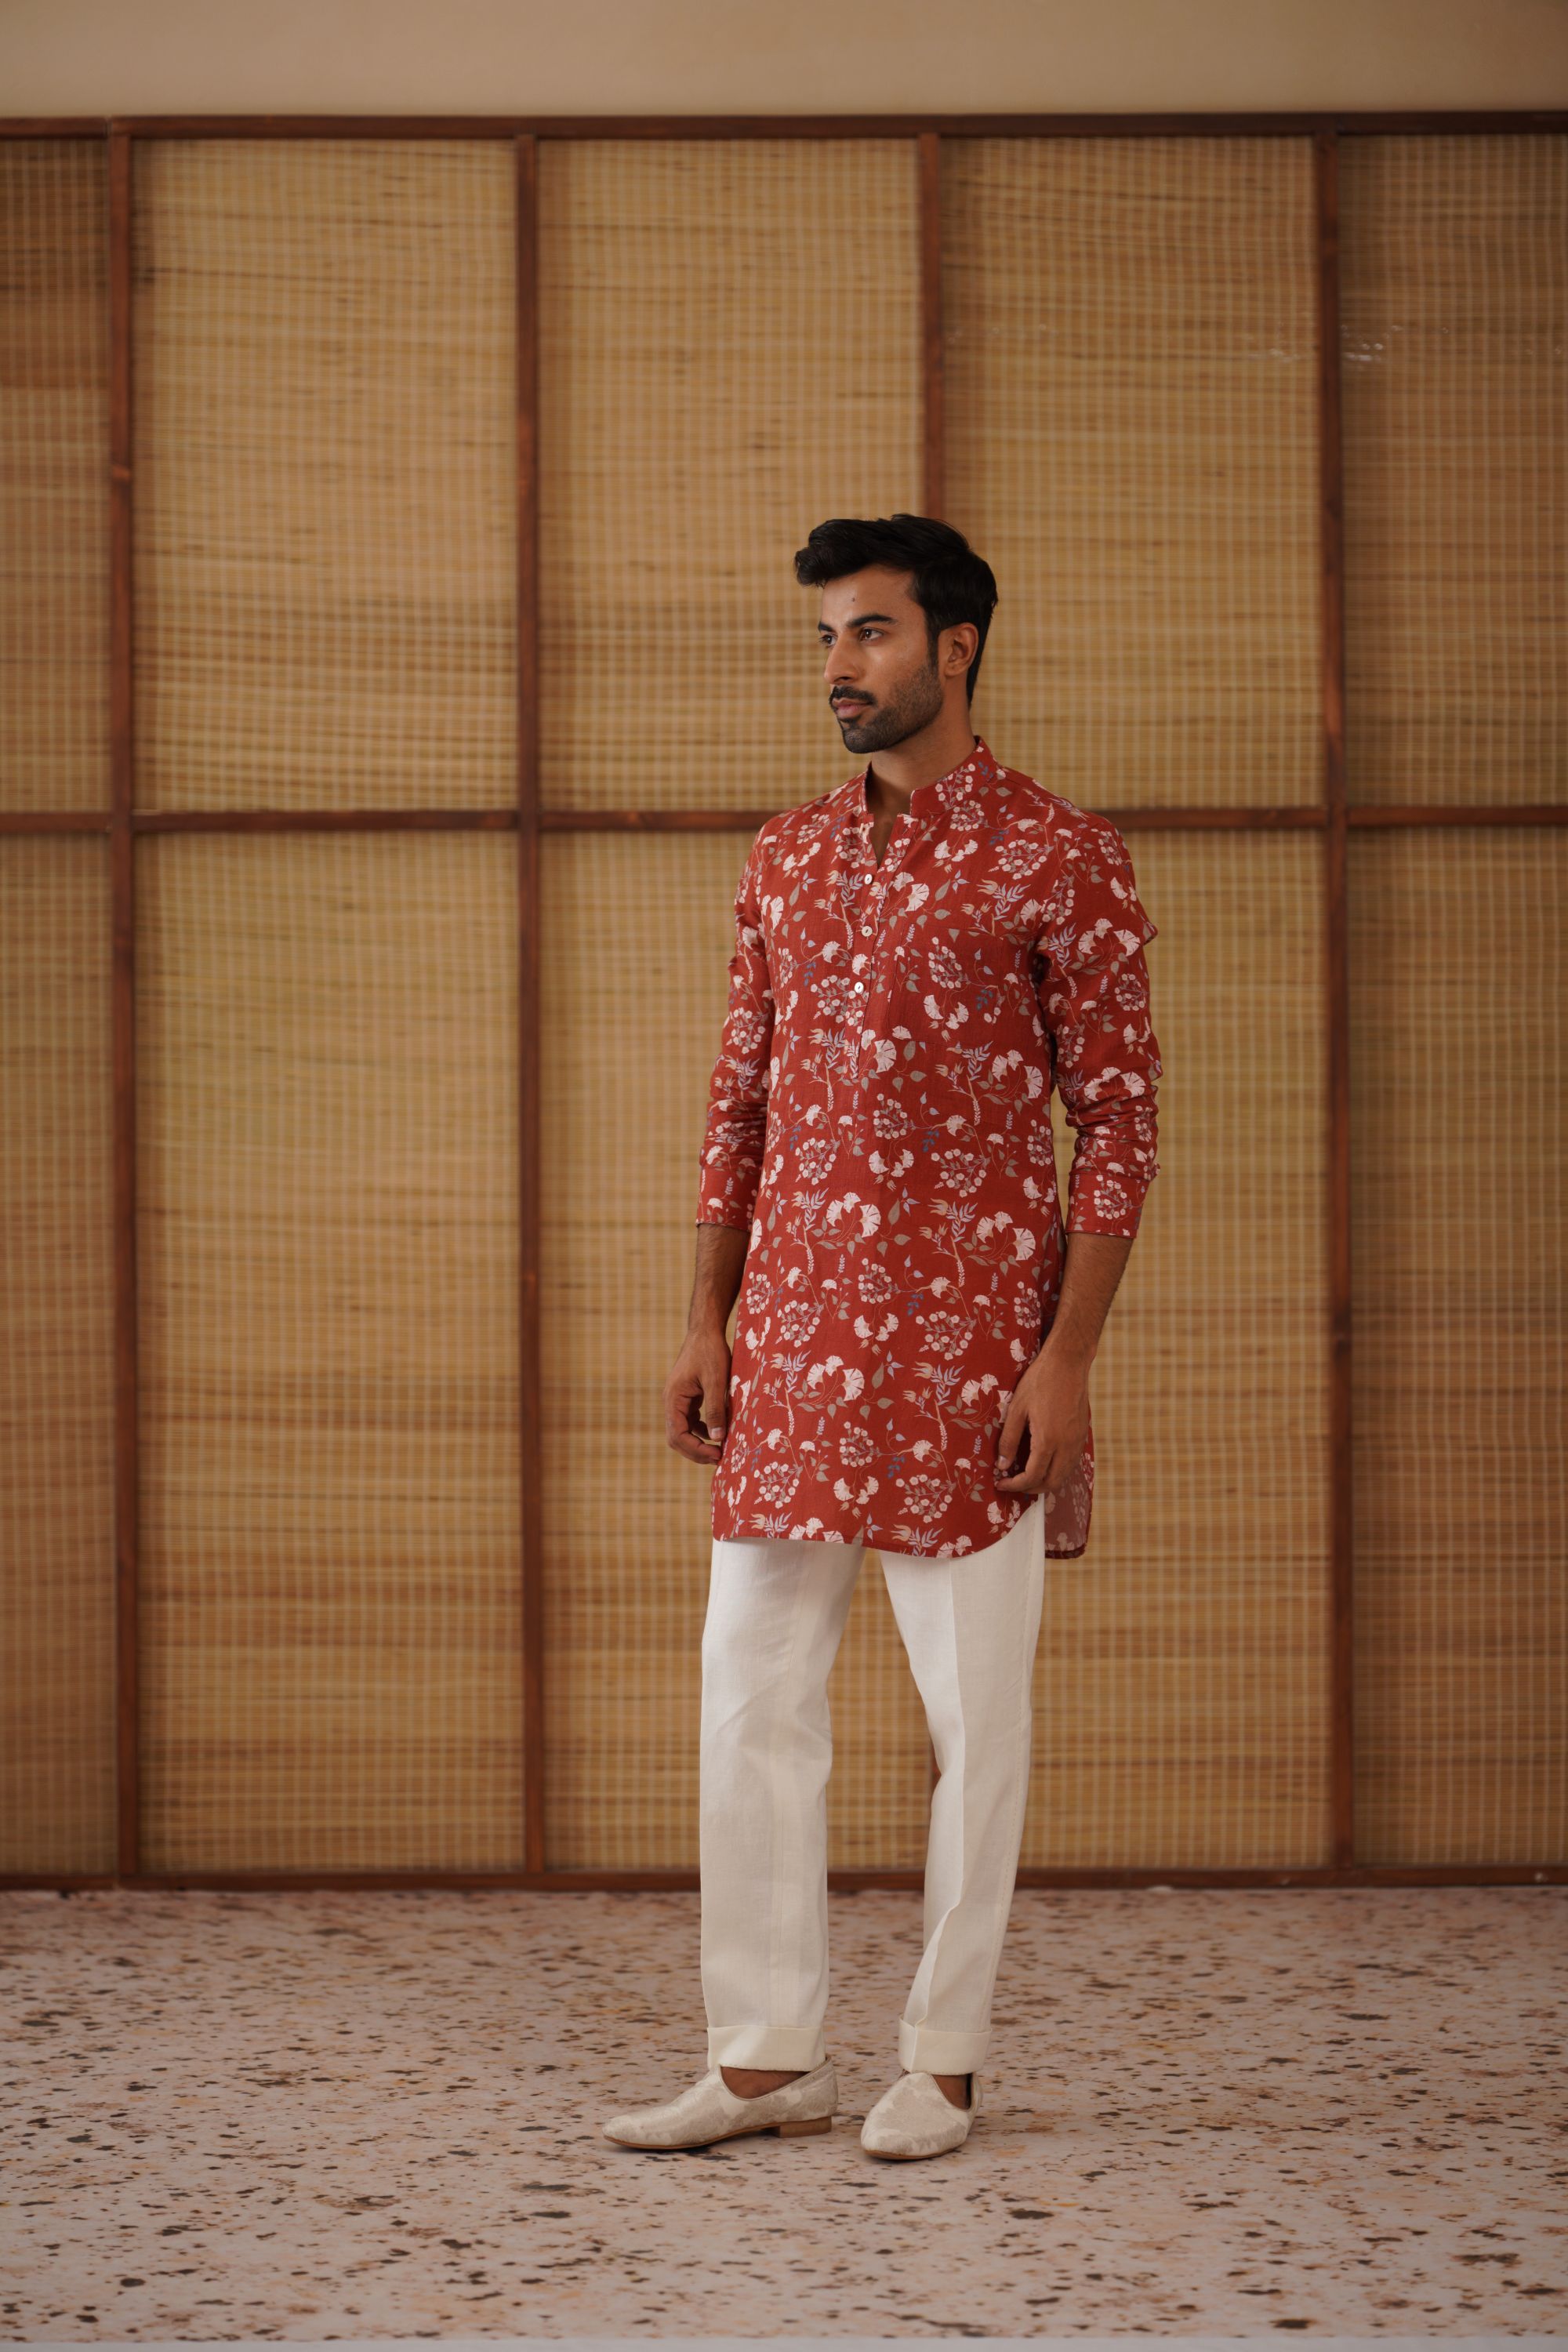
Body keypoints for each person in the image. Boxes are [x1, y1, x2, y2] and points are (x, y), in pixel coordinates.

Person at [602, 514, 1163, 2161]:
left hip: (972, 1357)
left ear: (954, 646)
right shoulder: (786, 857)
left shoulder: (1063, 856)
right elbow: (740, 1103)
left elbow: (1119, 1126)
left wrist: (1066, 1361)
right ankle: (764, 2055)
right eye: (827, 639)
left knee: (973, 1717)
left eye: (868, 634)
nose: (838, 667)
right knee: (747, 1695)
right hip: (789, 1344)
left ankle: (947, 2059)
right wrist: (704, 1322)